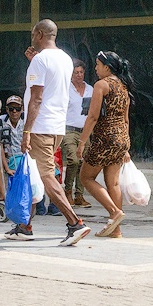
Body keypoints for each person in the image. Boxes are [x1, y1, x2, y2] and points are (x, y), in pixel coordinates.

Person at [10, 19, 89, 245]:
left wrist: (26, 131)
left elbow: (36, 98)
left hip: (40, 127)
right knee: (33, 172)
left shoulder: (40, 61)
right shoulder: (64, 58)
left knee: (45, 176)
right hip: (57, 127)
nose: (32, 36)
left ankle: (75, 223)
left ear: (40, 34)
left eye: (34, 32)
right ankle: (24, 226)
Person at [78, 51, 133, 238]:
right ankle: (116, 229)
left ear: (107, 67)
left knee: (86, 177)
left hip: (104, 138)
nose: (95, 68)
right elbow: (126, 119)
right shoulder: (124, 86)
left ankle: (113, 212)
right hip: (121, 138)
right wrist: (126, 145)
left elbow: (93, 116)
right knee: (113, 183)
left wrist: (82, 142)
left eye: (98, 64)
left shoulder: (101, 85)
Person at [62, 60, 94, 209]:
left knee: (83, 163)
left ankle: (79, 195)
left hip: (85, 131)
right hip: (69, 130)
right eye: (76, 72)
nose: (79, 75)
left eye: (81, 72)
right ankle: (67, 190)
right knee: (73, 160)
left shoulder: (90, 89)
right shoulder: (65, 89)